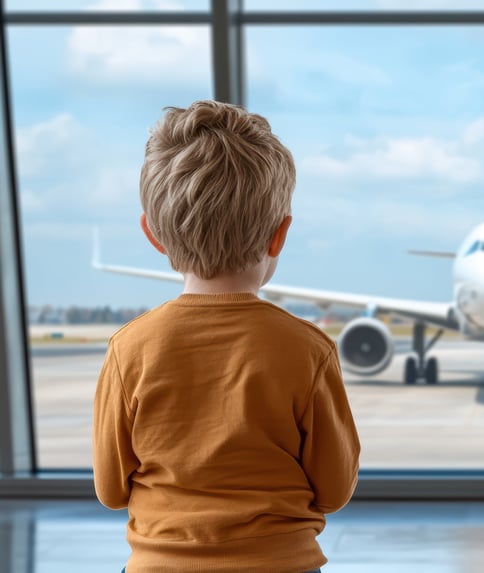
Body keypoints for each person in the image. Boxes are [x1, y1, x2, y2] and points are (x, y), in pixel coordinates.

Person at [93, 100, 361, 573]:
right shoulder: (308, 350)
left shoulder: (128, 350)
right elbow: (335, 491)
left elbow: (110, 490)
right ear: (279, 236)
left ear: (153, 235)